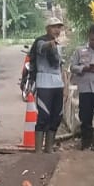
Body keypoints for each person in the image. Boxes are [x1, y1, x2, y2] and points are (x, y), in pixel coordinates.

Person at [30, 17, 66, 153]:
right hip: (44, 82)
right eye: (54, 27)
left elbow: (60, 66)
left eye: (59, 27)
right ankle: (38, 150)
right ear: (47, 29)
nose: (57, 30)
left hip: (57, 83)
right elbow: (42, 48)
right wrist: (50, 44)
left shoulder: (59, 45)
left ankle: (49, 148)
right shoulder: (41, 41)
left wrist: (65, 85)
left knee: (57, 116)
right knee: (44, 115)